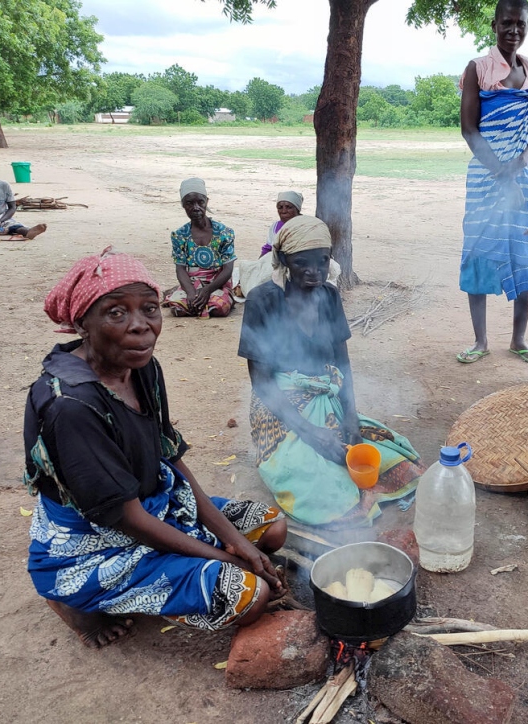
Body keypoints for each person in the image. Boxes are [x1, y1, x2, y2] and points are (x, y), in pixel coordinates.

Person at [23, 247, 286, 648]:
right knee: (248, 596)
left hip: (156, 502)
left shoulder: (140, 366)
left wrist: (237, 540)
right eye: (116, 312)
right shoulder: (70, 406)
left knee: (272, 527)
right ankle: (75, 601)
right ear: (82, 323)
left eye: (149, 308)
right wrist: (226, 557)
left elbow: (170, 457)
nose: (140, 326)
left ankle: (192, 561)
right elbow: (126, 519)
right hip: (97, 542)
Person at [238, 215, 423, 527]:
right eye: (302, 263)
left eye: (322, 261)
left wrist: (350, 419)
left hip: (326, 400)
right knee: (322, 485)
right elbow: (261, 382)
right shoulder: (262, 300)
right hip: (280, 408)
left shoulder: (329, 295)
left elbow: (343, 364)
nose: (315, 272)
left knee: (392, 461)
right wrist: (311, 434)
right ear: (283, 260)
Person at [456, 0, 528, 365]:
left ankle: (518, 339)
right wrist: (500, 169)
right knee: (479, 249)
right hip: (485, 177)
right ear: (494, 25)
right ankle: (480, 341)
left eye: (521, 23)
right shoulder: (478, 68)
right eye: (507, 23)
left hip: (524, 181)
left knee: (524, 252)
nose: (514, 29)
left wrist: (523, 161)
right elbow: (469, 129)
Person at [161, 178, 236, 318]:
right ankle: (184, 294)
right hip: (192, 283)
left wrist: (207, 290)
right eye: (189, 203)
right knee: (179, 308)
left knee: (218, 307)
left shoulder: (224, 233)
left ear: (207, 201)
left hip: (217, 284)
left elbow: (228, 269)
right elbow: (180, 268)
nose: (196, 207)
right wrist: (190, 292)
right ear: (183, 205)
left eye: (200, 202)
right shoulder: (179, 235)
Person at [261, 190, 302, 257]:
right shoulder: (275, 226)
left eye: (288, 207)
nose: (283, 211)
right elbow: (268, 248)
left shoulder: (305, 225)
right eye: (280, 207)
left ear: (297, 209)